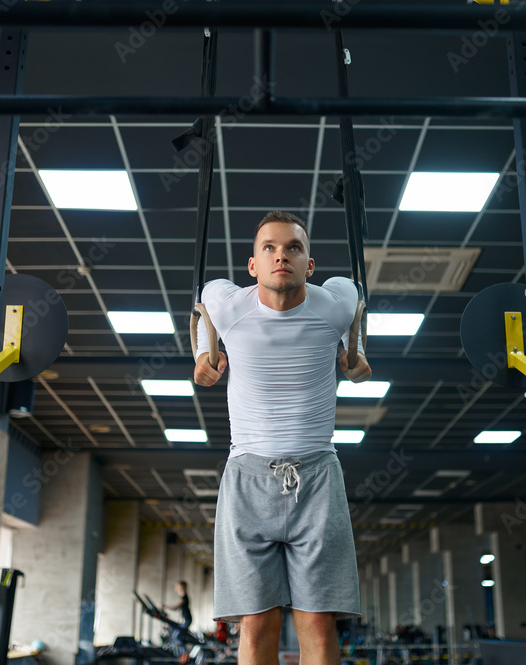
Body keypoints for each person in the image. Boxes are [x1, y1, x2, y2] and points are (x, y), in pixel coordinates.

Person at [194, 211, 371, 665]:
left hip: (317, 477)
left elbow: (356, 304)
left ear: (309, 264)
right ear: (252, 266)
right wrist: (202, 354)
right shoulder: (229, 303)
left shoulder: (335, 302)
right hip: (247, 476)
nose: (281, 256)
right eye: (268, 248)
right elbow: (204, 304)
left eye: (293, 248)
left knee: (316, 621)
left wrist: (357, 355)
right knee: (256, 623)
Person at [166, 580, 194, 653]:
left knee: (177, 637)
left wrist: (164, 606)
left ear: (182, 587)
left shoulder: (184, 597)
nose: (176, 588)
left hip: (187, 620)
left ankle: (183, 654)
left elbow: (175, 607)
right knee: (177, 636)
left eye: (177, 586)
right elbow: (178, 609)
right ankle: (182, 653)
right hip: (185, 620)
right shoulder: (182, 597)